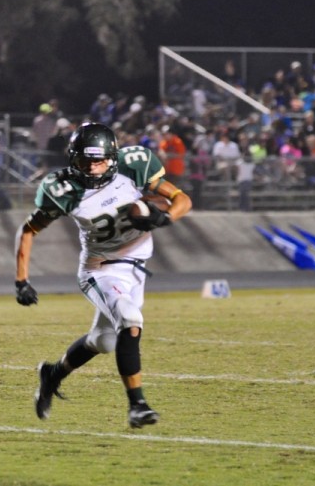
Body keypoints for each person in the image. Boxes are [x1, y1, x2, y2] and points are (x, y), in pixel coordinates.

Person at [14, 122, 192, 428]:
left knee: (104, 341)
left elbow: (182, 200)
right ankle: (138, 405)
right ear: (73, 159)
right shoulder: (64, 189)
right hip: (100, 269)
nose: (93, 169)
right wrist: (21, 280)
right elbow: (28, 231)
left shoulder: (133, 165)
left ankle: (52, 374)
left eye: (99, 161)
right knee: (130, 319)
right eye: (85, 161)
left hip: (136, 268)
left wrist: (164, 217)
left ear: (113, 157)